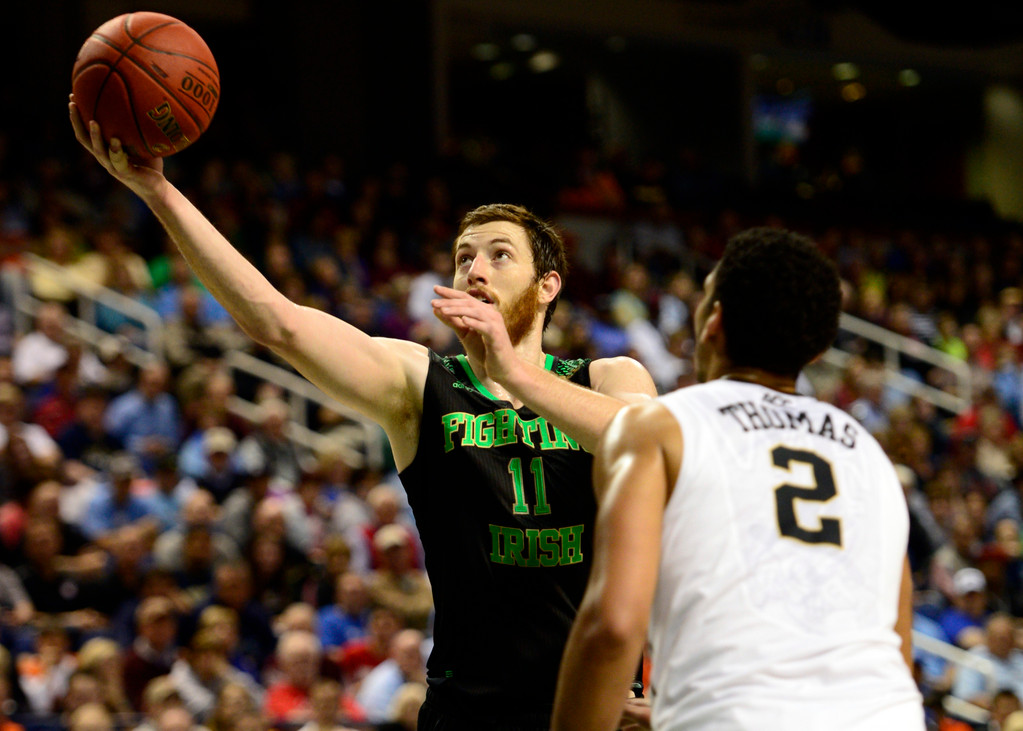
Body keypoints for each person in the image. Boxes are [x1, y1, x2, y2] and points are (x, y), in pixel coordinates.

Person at [70, 102, 657, 730]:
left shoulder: (608, 376)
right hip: (472, 711)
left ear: (548, 286)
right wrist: (158, 190)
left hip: (596, 707)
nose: (475, 269)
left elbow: (651, 445)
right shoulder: (421, 383)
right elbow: (276, 322)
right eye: (463, 257)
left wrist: (518, 373)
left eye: (498, 255)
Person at [552, 228, 924, 730]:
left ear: (714, 323)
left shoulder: (660, 425)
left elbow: (613, 627)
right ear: (814, 353)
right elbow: (895, 643)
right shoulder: (868, 453)